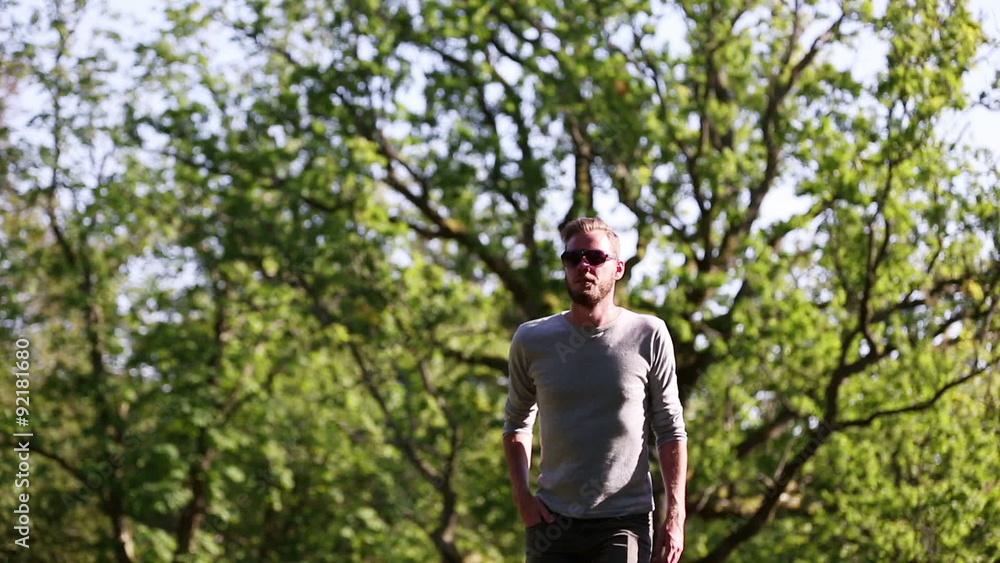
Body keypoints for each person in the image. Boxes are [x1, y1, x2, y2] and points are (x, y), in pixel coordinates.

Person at [502, 217, 687, 563]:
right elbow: (516, 423)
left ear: (618, 268)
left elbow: (670, 429)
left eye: (595, 257)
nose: (583, 266)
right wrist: (522, 497)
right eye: (573, 259)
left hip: (624, 519)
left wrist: (675, 515)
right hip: (551, 521)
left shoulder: (648, 334)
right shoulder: (532, 339)